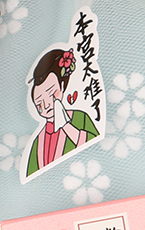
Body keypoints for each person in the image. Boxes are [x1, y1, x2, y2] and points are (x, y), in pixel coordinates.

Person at [24, 48, 99, 177]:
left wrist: (65, 125)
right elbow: (32, 172)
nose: (46, 105)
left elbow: (95, 143)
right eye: (39, 103)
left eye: (52, 94)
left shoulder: (80, 117)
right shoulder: (38, 141)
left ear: (62, 87)